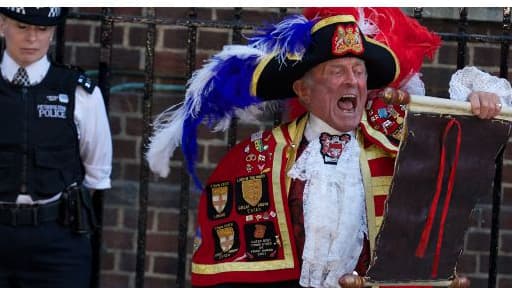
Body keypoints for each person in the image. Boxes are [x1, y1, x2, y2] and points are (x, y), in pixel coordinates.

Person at [146, 8, 506, 288]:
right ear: (303, 90)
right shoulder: (255, 159)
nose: (352, 80)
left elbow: (463, 147)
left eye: (359, 71)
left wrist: (483, 102)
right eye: (337, 71)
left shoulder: (401, 142)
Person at [0, 7, 112, 288]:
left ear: (52, 33)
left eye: (42, 29)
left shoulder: (79, 92)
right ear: (2, 25)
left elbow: (97, 173)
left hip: (57, 241)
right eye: (22, 27)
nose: (32, 39)